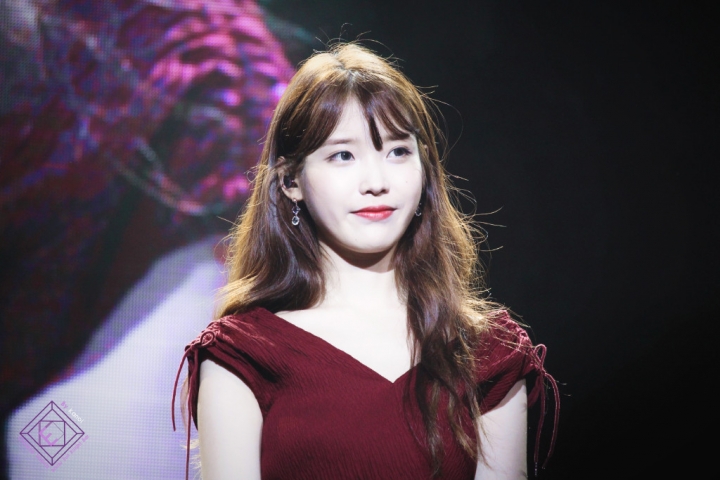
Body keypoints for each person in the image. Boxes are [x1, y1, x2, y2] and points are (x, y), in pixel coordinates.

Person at [173, 42, 558, 480]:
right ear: (290, 181)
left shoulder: (487, 352)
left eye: (398, 151)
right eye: (343, 155)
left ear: (425, 170)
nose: (376, 181)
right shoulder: (244, 355)